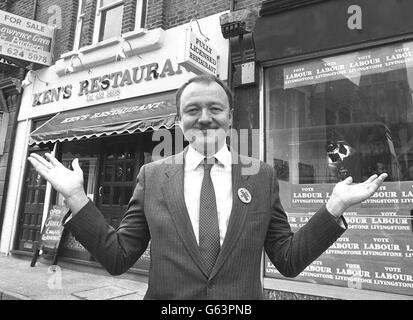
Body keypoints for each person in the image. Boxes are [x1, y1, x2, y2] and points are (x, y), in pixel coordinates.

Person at [27, 75, 387, 300]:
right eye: (192, 110)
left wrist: (334, 207)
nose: (203, 117)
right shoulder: (153, 175)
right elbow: (118, 257)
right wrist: (76, 197)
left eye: (215, 108)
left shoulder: (259, 176)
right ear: (180, 120)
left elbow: (288, 259)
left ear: (230, 117)